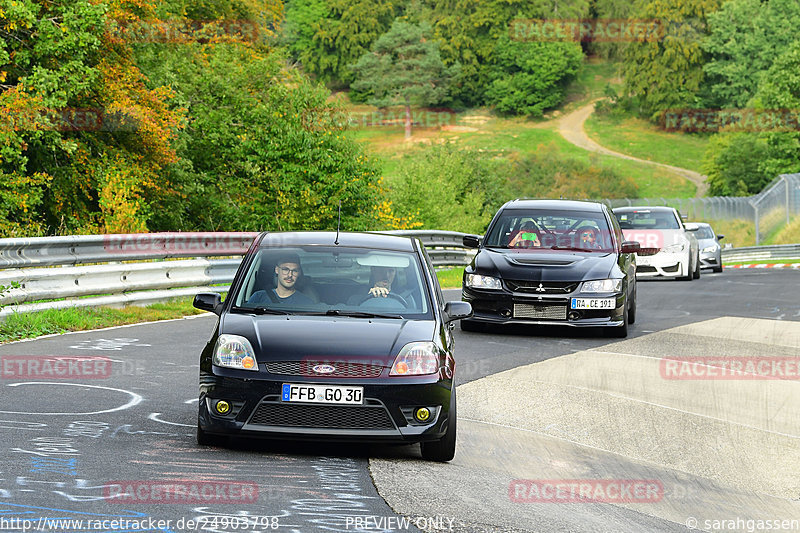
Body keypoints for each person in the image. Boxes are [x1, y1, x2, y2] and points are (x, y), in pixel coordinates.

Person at [247, 254, 314, 306]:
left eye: (295, 271)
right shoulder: (258, 297)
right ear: (276, 270)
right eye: (285, 269)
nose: (290, 275)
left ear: (299, 273)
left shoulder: (306, 302)